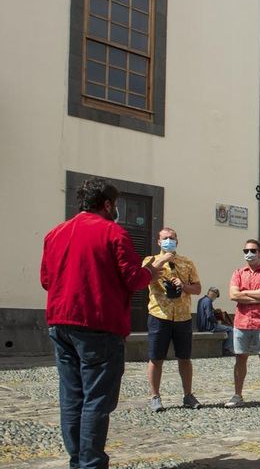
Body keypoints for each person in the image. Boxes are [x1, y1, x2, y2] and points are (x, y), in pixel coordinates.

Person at [41, 178, 170, 469]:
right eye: (116, 204)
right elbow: (133, 279)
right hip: (99, 323)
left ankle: (78, 460)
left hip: (60, 322)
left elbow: (46, 280)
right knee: (97, 400)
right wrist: (150, 270)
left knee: (72, 397)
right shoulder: (114, 232)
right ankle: (91, 463)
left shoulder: (54, 233)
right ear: (108, 204)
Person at [143, 227, 202, 412]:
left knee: (185, 357)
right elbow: (143, 279)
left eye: (172, 238)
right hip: (159, 315)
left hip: (183, 316)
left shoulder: (187, 262)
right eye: (165, 238)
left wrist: (183, 286)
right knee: (156, 357)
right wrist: (162, 259)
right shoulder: (150, 261)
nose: (169, 241)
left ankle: (188, 395)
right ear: (159, 242)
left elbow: (198, 288)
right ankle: (155, 396)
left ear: (177, 241)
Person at [224, 239, 260, 411]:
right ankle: (238, 395)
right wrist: (256, 296)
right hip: (241, 323)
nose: (249, 254)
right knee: (240, 359)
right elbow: (233, 295)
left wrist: (244, 293)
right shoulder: (238, 273)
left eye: (253, 251)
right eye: (246, 251)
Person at [196, 287, 234, 356]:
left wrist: (214, 311)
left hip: (201, 326)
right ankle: (226, 350)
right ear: (214, 294)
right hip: (209, 327)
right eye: (216, 297)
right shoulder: (208, 301)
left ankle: (225, 348)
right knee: (231, 330)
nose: (215, 298)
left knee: (226, 328)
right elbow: (209, 316)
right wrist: (217, 322)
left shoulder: (201, 300)